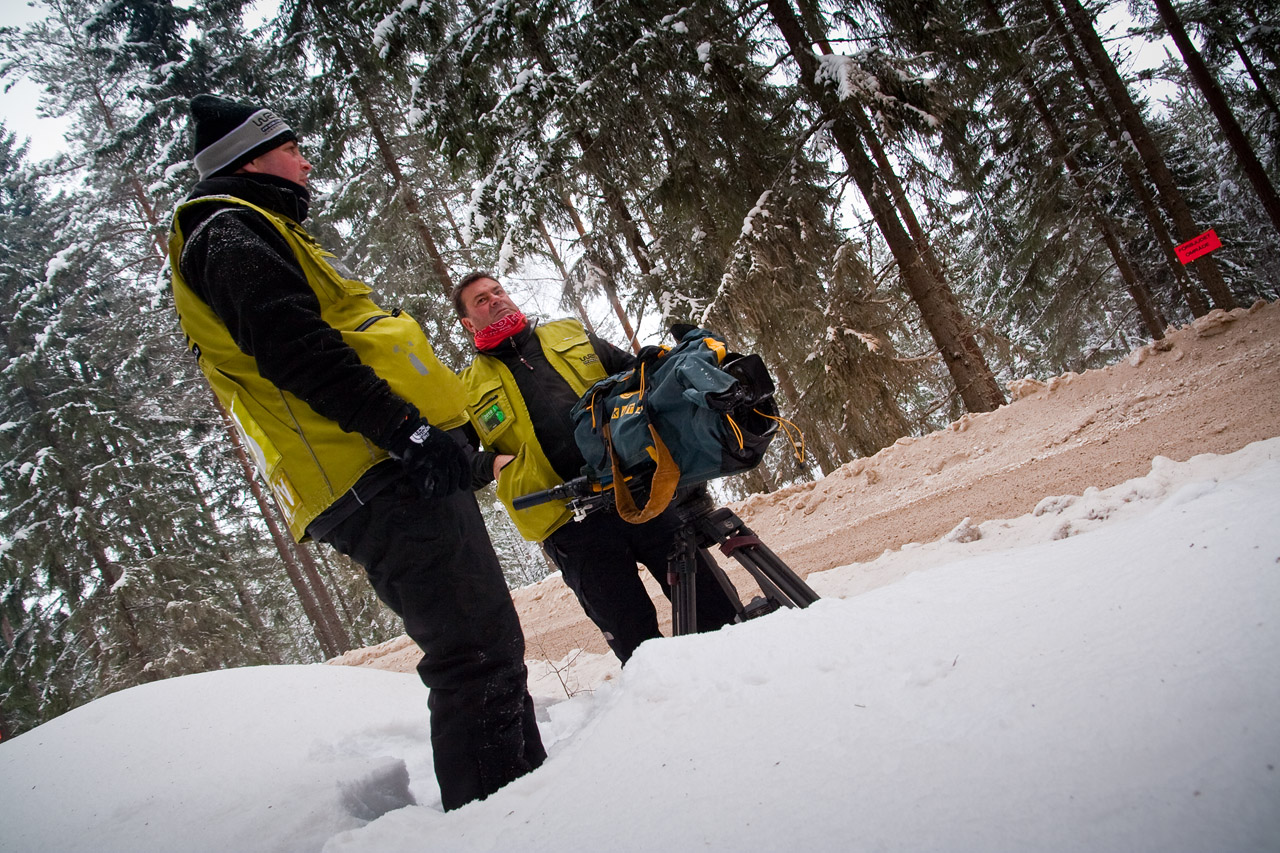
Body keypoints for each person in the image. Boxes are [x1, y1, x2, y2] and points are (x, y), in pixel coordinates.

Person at [166, 95, 544, 811]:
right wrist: (408, 433)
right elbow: (299, 355)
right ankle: (504, 820)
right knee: (473, 653)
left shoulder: (259, 229)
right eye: (291, 147)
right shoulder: (227, 231)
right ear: (251, 158)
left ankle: (534, 802)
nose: (306, 161)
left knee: (489, 643)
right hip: (377, 473)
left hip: (388, 469)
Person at [451, 272, 740, 664]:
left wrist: (665, 363)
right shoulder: (465, 388)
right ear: (469, 323)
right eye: (481, 300)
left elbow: (633, 374)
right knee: (634, 641)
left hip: (637, 489)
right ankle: (670, 709)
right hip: (569, 524)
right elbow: (459, 461)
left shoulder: (567, 333)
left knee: (714, 607)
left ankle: (742, 679)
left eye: (497, 291)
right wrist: (494, 462)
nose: (496, 300)